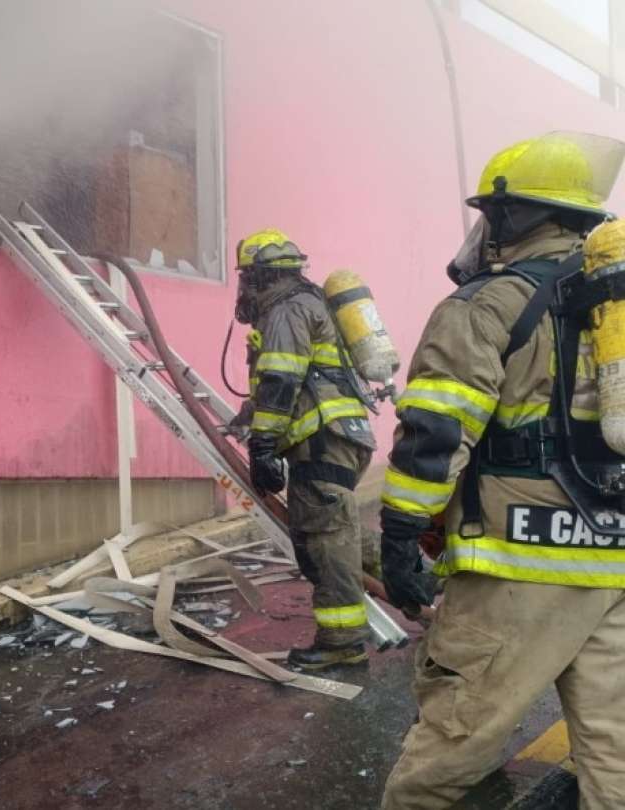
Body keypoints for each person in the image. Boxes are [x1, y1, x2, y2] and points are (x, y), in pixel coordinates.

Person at [381, 132, 625, 809]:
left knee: (445, 752)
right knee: (615, 757)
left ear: (514, 216)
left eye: (493, 212)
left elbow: (436, 431)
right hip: (615, 567)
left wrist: (401, 531)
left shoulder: (487, 305)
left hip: (520, 565)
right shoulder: (612, 309)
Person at [236, 229, 379, 668]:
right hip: (338, 437)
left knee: (325, 540)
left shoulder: (285, 310)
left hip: (322, 442)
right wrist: (248, 415)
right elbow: (297, 379)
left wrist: (263, 446)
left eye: (246, 277)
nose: (243, 287)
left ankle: (343, 641)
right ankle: (423, 584)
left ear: (259, 275)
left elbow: (282, 378)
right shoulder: (309, 303)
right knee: (338, 528)